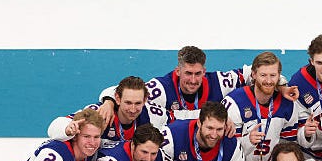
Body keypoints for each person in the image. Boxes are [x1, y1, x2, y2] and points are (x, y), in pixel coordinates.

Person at [99, 46, 246, 121]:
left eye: (198, 74)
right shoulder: (161, 88)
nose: (193, 80)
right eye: (188, 73)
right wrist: (109, 102)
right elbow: (126, 90)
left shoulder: (219, 82)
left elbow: (253, 71)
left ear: (204, 71)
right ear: (178, 71)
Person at [224, 51, 307, 161]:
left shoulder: (288, 103)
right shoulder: (235, 102)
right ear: (253, 74)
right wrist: (248, 141)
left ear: (279, 76)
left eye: (273, 75)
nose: (268, 81)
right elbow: (226, 147)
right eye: (263, 75)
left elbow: (289, 146)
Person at [49, 75, 171, 149]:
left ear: (145, 100)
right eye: (128, 103)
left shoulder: (153, 114)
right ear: (117, 98)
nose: (133, 109)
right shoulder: (99, 112)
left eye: (138, 103)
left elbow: (179, 124)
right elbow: (53, 128)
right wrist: (67, 129)